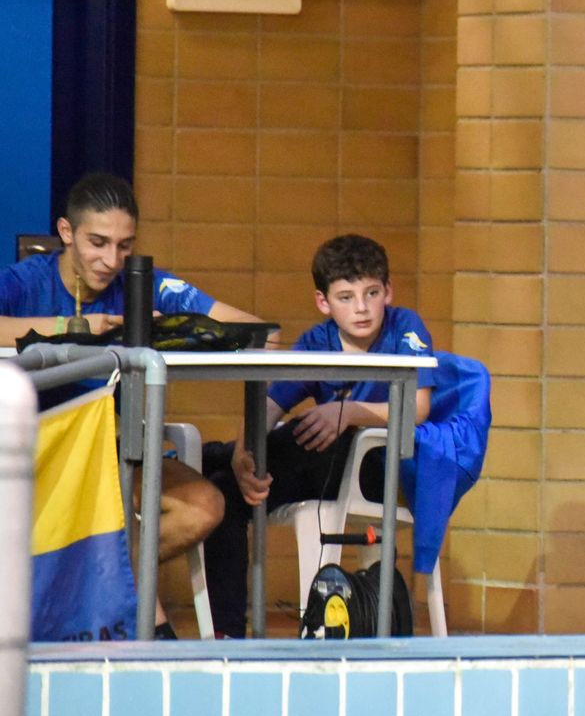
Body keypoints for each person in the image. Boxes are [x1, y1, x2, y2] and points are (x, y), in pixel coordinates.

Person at [0, 172, 266, 637]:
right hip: (39, 455)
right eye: (97, 243)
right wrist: (71, 328)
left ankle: (90, 594)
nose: (110, 260)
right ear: (66, 233)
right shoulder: (26, 281)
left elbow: (256, 329)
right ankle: (149, 628)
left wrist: (178, 329)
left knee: (204, 506)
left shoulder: (144, 283)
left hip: (116, 452)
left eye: (124, 246)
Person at [201, 234, 434, 638]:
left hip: (372, 467)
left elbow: (418, 408)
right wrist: (244, 455)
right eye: (346, 297)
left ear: (388, 292)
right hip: (314, 464)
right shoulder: (316, 341)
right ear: (323, 302)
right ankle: (228, 636)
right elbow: (267, 408)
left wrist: (345, 413)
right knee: (223, 492)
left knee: (333, 436)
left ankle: (204, 456)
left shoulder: (404, 327)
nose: (361, 308)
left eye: (371, 293)